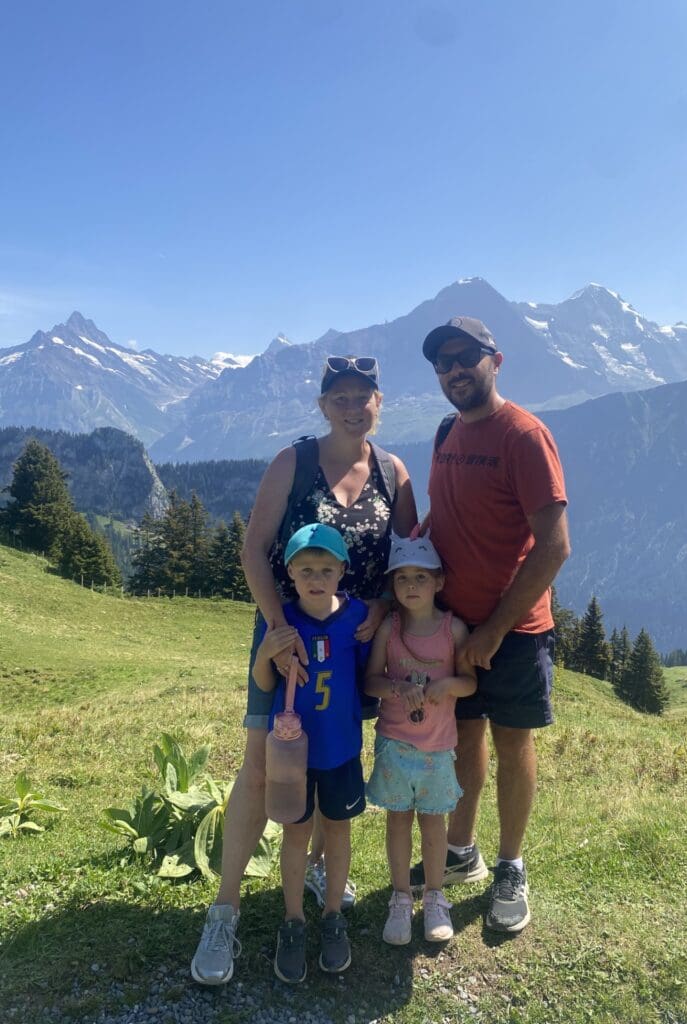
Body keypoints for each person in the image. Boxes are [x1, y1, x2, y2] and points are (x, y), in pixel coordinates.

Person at [191, 354, 417, 985]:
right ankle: (225, 910)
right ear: (323, 405)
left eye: (363, 395)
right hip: (284, 642)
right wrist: (278, 630)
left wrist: (380, 606)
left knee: (329, 755)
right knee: (263, 767)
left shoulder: (394, 474)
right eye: (339, 396)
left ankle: (316, 867)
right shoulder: (292, 463)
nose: (352, 406)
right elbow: (255, 552)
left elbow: (404, 562)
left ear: (379, 401)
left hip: (352, 643)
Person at [411, 316, 570, 935]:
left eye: (464, 357)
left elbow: (554, 546)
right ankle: (461, 850)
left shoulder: (525, 435)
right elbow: (442, 519)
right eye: (441, 362)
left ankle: (510, 865)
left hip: (514, 629)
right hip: (452, 623)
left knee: (512, 741)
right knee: (464, 738)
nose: (453, 369)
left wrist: (495, 630)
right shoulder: (447, 431)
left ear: (495, 360)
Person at [253, 522, 369, 982]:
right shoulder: (279, 618)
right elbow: (265, 684)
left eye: (325, 568)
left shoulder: (357, 616)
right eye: (306, 569)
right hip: (292, 759)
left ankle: (333, 914)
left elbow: (366, 679)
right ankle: (294, 920)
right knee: (296, 836)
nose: (316, 578)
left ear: (342, 570)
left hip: (341, 748)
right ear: (290, 573)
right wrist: (267, 653)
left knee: (338, 833)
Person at [364, 531, 476, 945]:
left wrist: (447, 685)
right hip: (394, 743)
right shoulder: (389, 630)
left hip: (438, 747)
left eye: (421, 578)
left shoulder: (454, 630)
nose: (411, 586)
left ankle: (434, 896)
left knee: (433, 822)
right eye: (402, 579)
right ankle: (399, 897)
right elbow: (371, 681)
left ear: (439, 582)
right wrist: (395, 688)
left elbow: (469, 683)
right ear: (393, 585)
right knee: (397, 820)